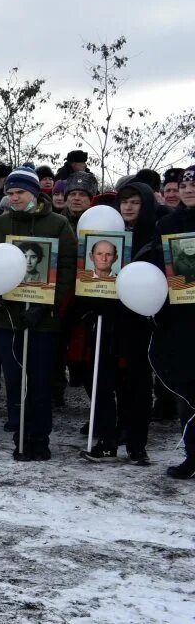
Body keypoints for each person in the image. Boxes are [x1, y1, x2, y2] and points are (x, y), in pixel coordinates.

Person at [0, 165, 77, 462]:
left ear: (34, 193)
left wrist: (46, 305)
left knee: (39, 381)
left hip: (43, 320)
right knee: (14, 380)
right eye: (9, 193)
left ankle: (39, 438)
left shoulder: (58, 224)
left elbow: (66, 270)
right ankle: (20, 436)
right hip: (7, 319)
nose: (13, 198)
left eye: (19, 192)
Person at [80, 181, 160, 465]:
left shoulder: (156, 236)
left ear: (146, 205)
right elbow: (88, 275)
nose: (128, 207)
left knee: (137, 386)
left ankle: (137, 445)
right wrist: (92, 302)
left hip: (139, 321)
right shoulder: (103, 235)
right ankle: (106, 440)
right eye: (124, 201)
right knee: (101, 382)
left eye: (135, 202)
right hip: (105, 318)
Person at [154, 166, 195, 478]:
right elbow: (157, 269)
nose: (189, 190)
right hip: (180, 317)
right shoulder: (168, 223)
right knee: (187, 392)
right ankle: (191, 455)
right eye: (185, 185)